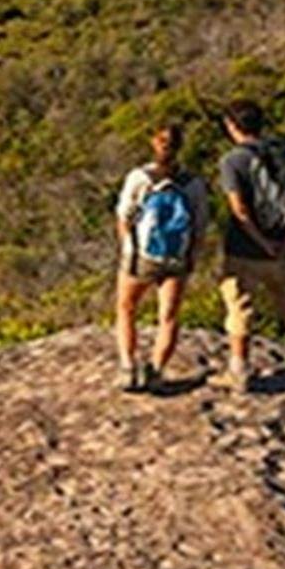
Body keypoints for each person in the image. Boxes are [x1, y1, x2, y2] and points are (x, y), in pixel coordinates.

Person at [215, 99, 285, 390]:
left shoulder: (233, 161)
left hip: (244, 248)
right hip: (283, 246)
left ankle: (239, 369)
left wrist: (260, 241)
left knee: (239, 307)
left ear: (232, 126)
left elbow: (240, 209)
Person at [113, 123, 208, 393]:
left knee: (126, 308)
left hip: (141, 256)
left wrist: (127, 250)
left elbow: (124, 216)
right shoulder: (193, 183)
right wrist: (191, 256)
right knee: (168, 316)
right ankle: (156, 371)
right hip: (176, 257)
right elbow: (200, 224)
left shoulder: (139, 177)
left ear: (154, 142)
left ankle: (128, 367)